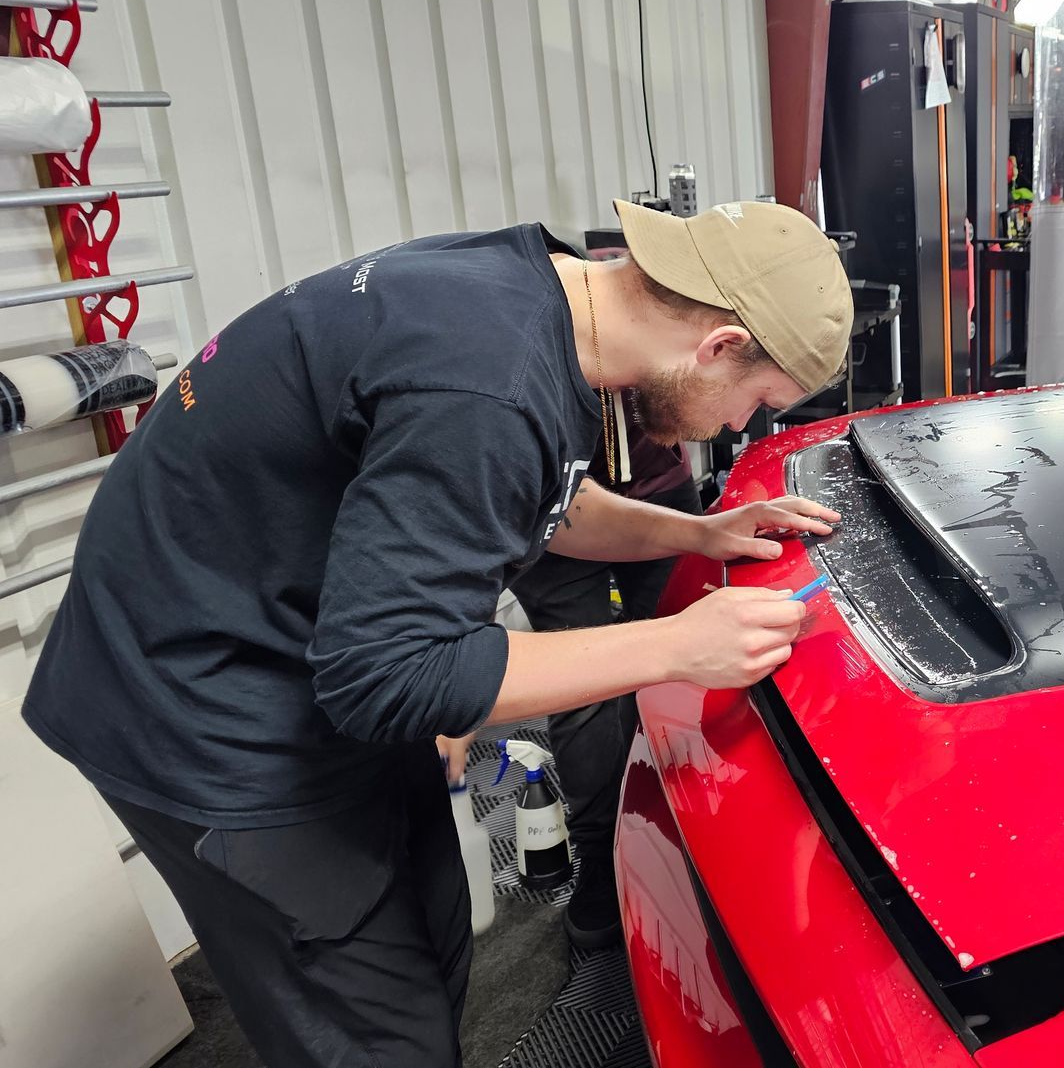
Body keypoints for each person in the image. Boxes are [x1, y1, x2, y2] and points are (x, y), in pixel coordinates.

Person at [23, 198, 852, 1067]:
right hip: (199, 704)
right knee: (374, 1029)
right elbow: (389, 673)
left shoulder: (544, 292)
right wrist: (679, 644)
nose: (735, 428)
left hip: (307, 640)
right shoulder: (490, 380)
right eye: (755, 401)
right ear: (717, 345)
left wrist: (697, 532)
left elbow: (544, 499)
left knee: (437, 933)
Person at [447, 410, 701, 950]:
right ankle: (603, 853)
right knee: (584, 684)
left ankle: (678, 835)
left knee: (679, 666)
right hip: (552, 503)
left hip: (655, 479)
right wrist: (454, 658)